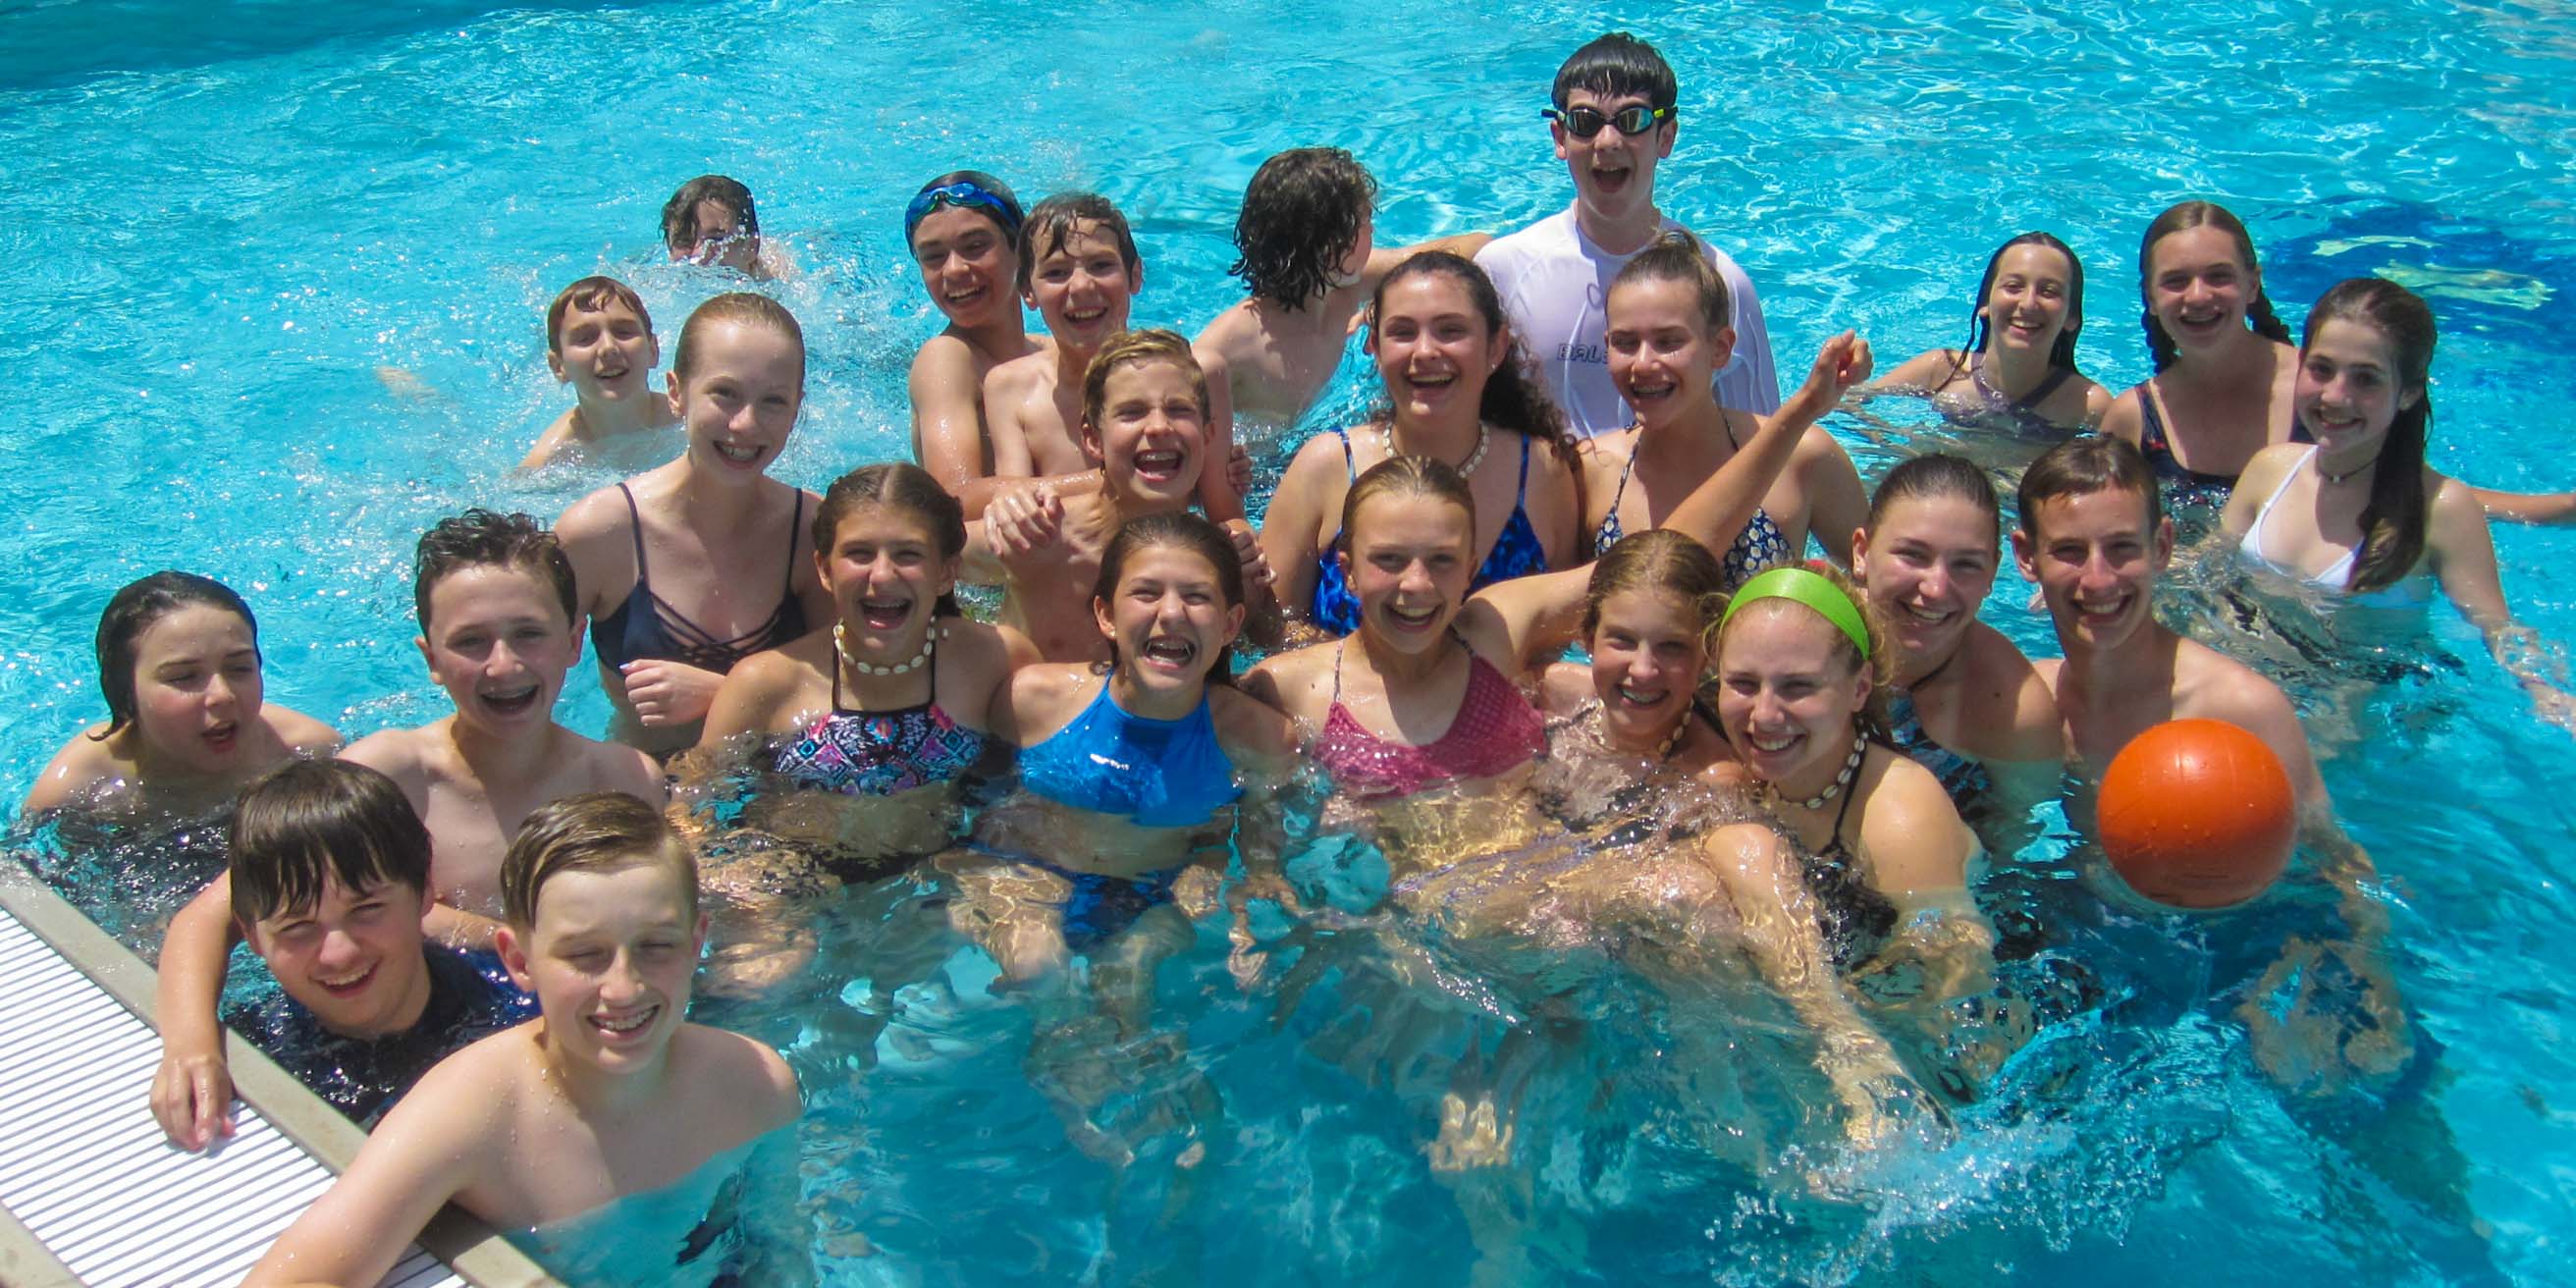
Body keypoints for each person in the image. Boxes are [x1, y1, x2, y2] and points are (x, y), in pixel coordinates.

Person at [1247, 330, 1872, 868]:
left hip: (1546, 903)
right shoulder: (1285, 690)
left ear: (1471, 568)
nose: (1416, 585)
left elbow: (1658, 562)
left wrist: (1802, 411)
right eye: (1389, 560)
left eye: (1441, 562)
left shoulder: (1491, 633)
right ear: (1347, 570)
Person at [243, 792, 807, 1288]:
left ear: (695, 943)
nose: (623, 987)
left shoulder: (753, 1085)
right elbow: (302, 1276)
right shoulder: (473, 1112)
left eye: (656, 946)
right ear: (519, 961)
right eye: (584, 954)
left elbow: (776, 1254)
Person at [2222, 278, 2573, 721]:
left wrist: (2544, 690)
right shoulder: (2269, 469)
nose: (2335, 396)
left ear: (2408, 391)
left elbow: (2498, 628)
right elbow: (2205, 571)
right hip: (2241, 675)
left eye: (2365, 378)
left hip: (2354, 707)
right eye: (2321, 369)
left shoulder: (2442, 509)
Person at [147, 760, 518, 1150]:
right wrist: (190, 1045)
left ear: (425, 893)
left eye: (366, 910)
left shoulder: (521, 1009)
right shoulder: (251, 1051)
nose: (338, 954)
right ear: (252, 937)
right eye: (297, 928)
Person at [343, 510, 664, 947]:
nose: (504, 665)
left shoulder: (624, 780)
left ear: (573, 643)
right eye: (471, 641)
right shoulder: (386, 780)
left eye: (529, 634)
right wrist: (517, 943)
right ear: (432, 659)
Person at [698, 461, 1021, 869]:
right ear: (824, 570)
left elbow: (1041, 785)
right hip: (794, 880)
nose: (882, 575)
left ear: (945, 573)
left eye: (908, 554)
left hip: (940, 877)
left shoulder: (993, 658)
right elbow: (693, 812)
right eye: (859, 553)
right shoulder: (764, 683)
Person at [557, 293, 835, 755]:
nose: (746, 424)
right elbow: (526, 683)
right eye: (724, 394)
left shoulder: (812, 531)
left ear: (796, 408)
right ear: (675, 392)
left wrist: (720, 693)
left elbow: (854, 692)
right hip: (649, 784)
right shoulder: (598, 535)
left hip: (780, 782)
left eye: (773, 401)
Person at [1258, 251, 1583, 638]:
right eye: (1403, 332)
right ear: (1375, 349)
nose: (1425, 351)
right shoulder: (1325, 466)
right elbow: (1271, 628)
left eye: (1450, 330)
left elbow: (1566, 631)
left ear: (1495, 348)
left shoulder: (1541, 469)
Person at [1476, 31, 1781, 435]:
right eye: (1584, 123)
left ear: (1666, 136)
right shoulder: (1505, 270)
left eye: (1632, 120)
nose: (1607, 141)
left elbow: (1764, 445)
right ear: (1560, 138)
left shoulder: (1721, 282)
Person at [1706, 564, 1994, 989]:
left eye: (1798, 687)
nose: (1764, 715)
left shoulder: (1899, 817)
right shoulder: (1746, 778)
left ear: (1860, 688)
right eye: (1744, 684)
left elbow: (1959, 983)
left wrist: (1816, 1011)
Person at [1581, 231, 1867, 577]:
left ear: (1720, 348)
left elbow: (1880, 587)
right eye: (1625, 343)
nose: (1643, 363)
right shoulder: (1592, 470)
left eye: (1668, 341)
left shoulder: (1803, 458)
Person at [973, 329, 1262, 663]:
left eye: (1179, 409)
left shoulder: (1225, 563)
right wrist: (1004, 508)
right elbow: (932, 556)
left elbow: (1273, 641)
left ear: (1207, 434)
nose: (1158, 427)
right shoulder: (1040, 536)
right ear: (1093, 439)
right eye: (1132, 412)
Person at [983, 192, 1244, 526]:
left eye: (1101, 265)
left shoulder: (1199, 371)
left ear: (1135, 275)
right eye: (1056, 272)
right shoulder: (1010, 388)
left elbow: (1226, 515)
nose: (1080, 286)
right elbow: (1016, 514)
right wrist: (1135, 477)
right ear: (1027, 292)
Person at [1193, 147, 1492, 436]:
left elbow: (1476, 245)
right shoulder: (1234, 341)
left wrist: (1386, 300)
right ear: (1331, 245)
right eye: (1365, 221)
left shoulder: (1351, 284)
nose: (1373, 231)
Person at [23, 572, 339, 818]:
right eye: (184, 677)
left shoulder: (307, 754)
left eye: (239, 668)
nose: (222, 695)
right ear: (126, 694)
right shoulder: (77, 792)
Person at [1848, 455, 2065, 810]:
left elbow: (2018, 835)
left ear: (1993, 572)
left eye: (1965, 564)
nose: (1935, 589)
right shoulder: (1807, 634)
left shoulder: (2013, 710)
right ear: (1862, 552)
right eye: (1913, 554)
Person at [2096, 200, 2307, 503]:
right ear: (2151, 298)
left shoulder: (2318, 387)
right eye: (2176, 281)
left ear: (2253, 285)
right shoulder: (2134, 421)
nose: (2197, 296)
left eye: (2218, 276)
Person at [903, 171, 1046, 516]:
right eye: (933, 256)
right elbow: (955, 496)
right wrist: (1106, 482)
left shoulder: (1050, 352)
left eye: (975, 246)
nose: (953, 269)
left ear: (1021, 250)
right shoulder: (946, 359)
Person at [1872, 232, 2113, 434]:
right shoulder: (1940, 371)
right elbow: (1848, 408)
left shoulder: (2089, 405)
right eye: (2013, 287)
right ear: (1985, 304)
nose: (2028, 304)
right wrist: (1897, 444)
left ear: (2071, 318)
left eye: (2048, 292)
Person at [519, 276, 679, 470]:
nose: (608, 347)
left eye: (623, 332)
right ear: (558, 366)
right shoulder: (550, 460)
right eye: (586, 338)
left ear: (653, 351)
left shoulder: (687, 421)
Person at [660, 174, 787, 278]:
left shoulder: (782, 289)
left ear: (751, 248)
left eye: (716, 239)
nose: (699, 255)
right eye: (684, 241)